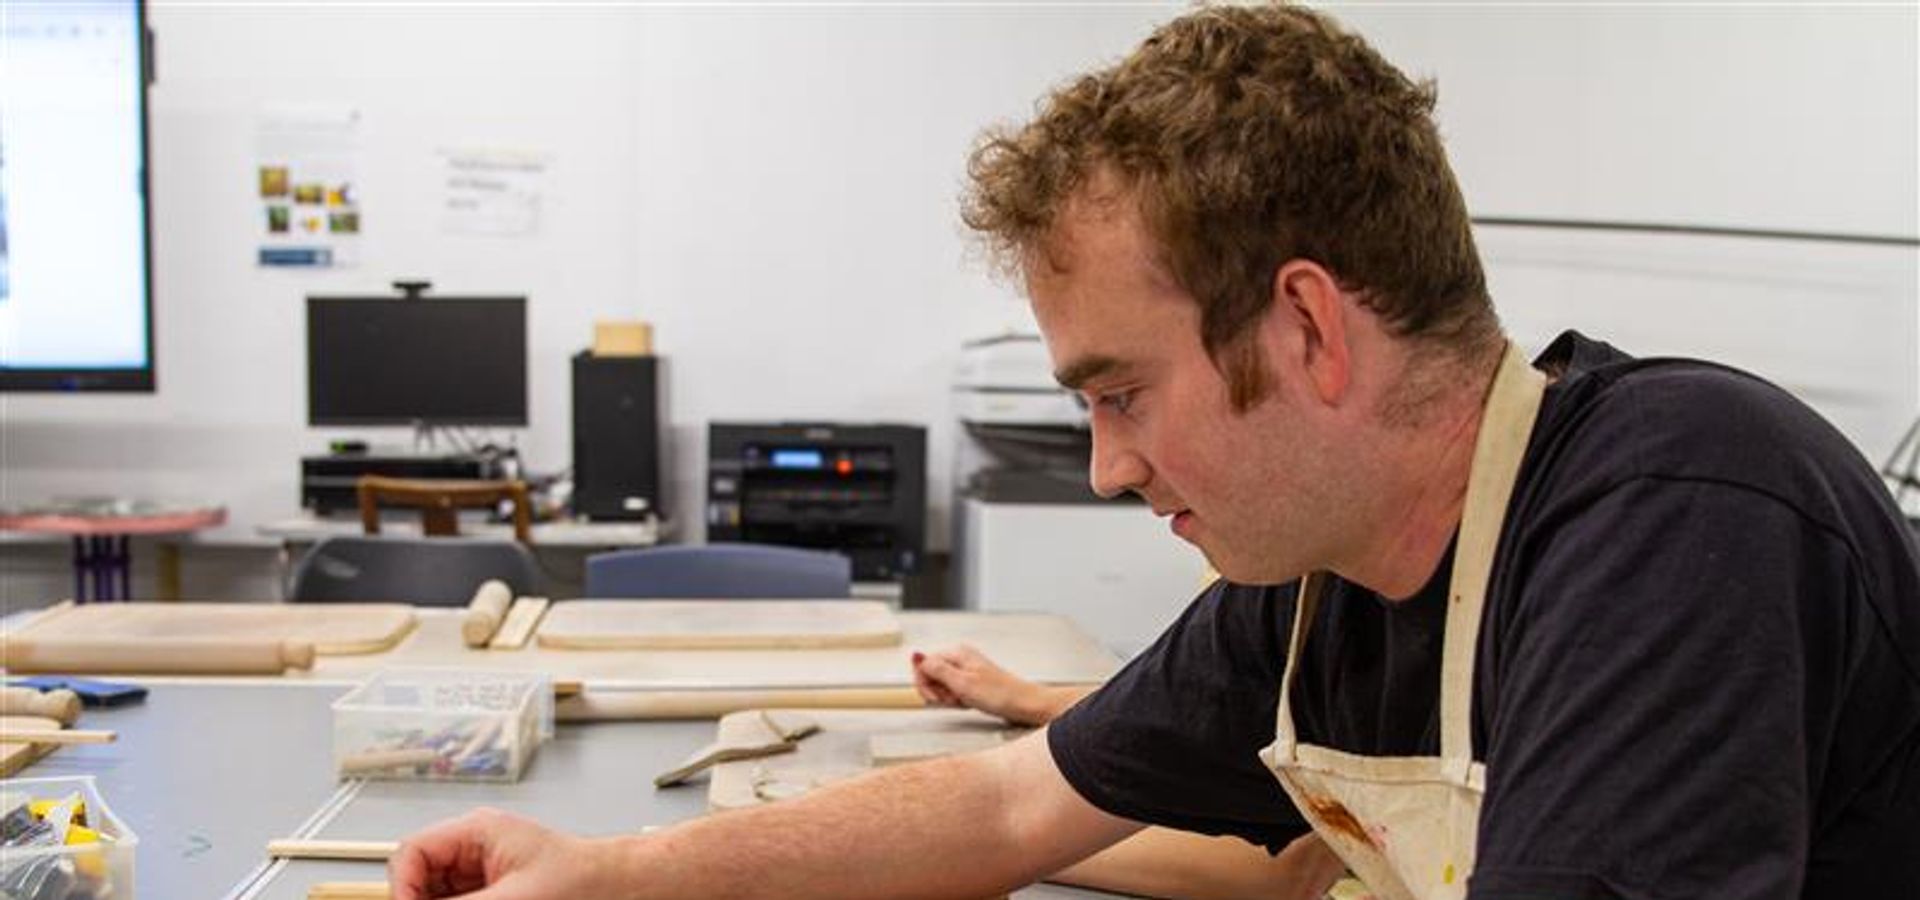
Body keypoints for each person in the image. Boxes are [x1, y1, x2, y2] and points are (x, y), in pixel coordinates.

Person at [391, 4, 1920, 898]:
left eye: (1122, 394)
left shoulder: (1674, 519)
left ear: (1310, 333)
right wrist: (596, 874)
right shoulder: (1317, 585)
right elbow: (1007, 807)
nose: (1111, 469)